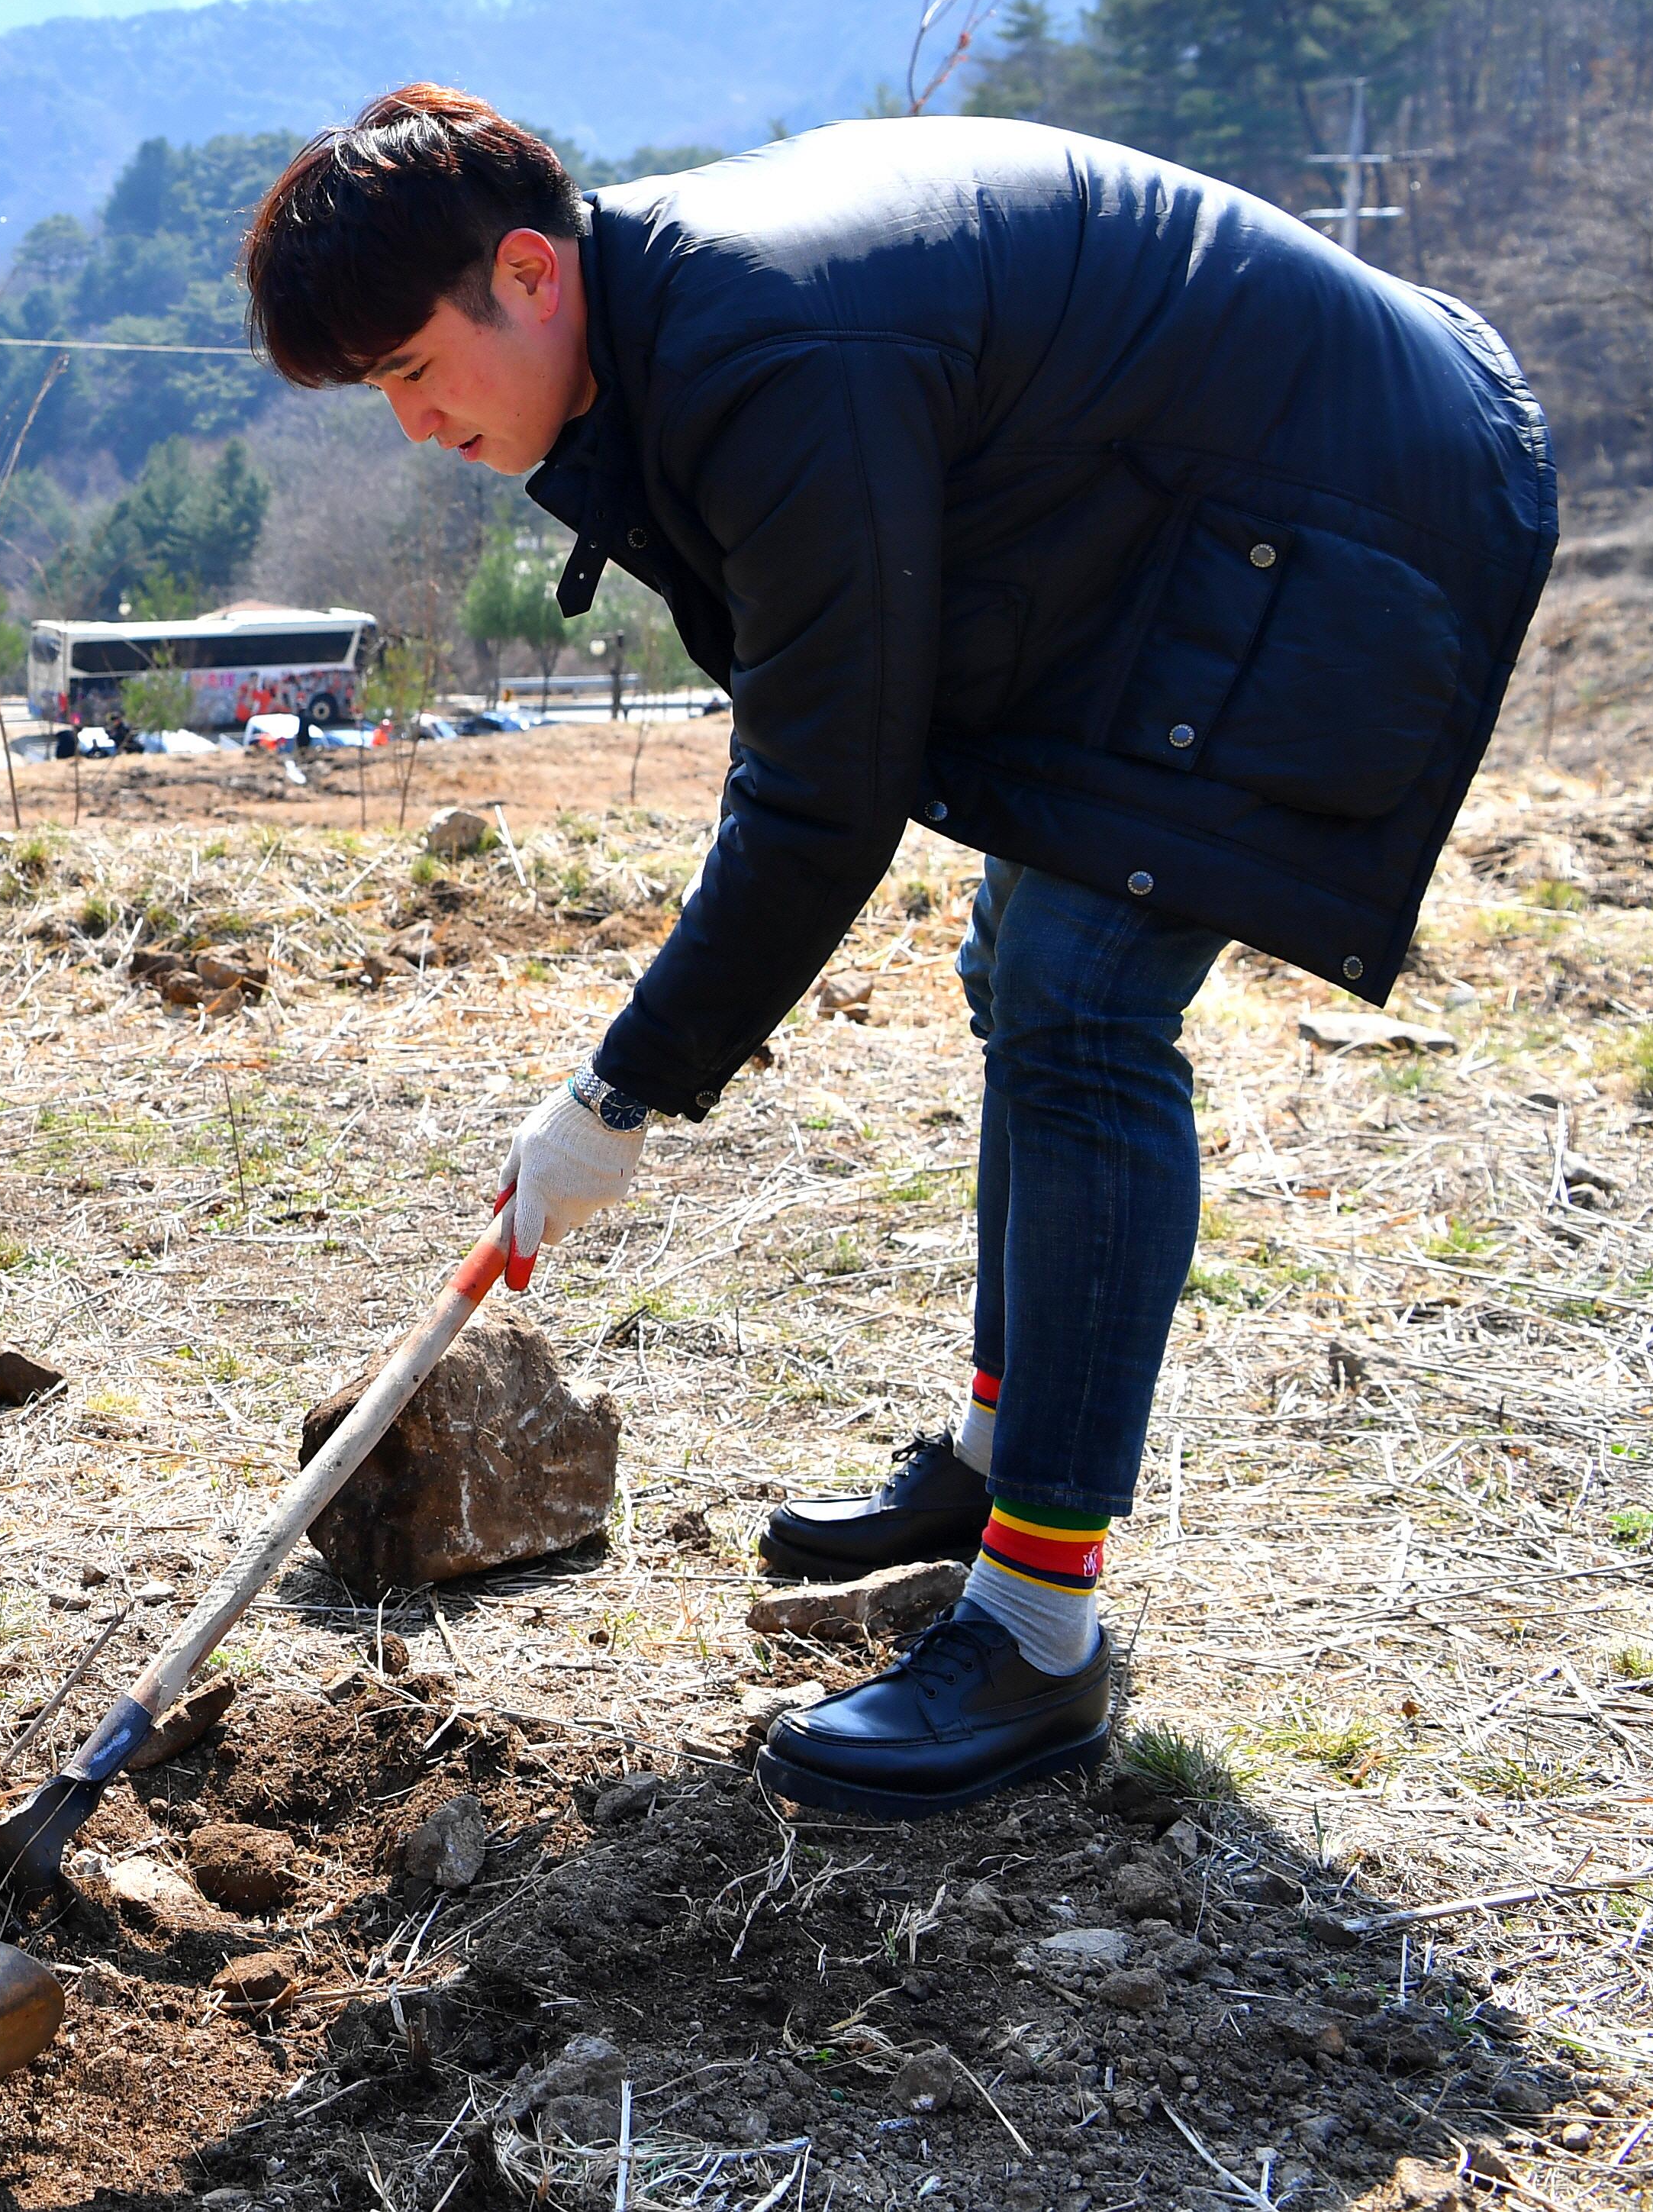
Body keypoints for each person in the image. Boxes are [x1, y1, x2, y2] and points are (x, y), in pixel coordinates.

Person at [244, 87, 1553, 1821]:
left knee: (1086, 1001)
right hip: (1184, 514)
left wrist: (619, 1091)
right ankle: (1005, 1463)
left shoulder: (771, 347)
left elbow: (820, 796)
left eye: (416, 367)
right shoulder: (674, 325)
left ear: (532, 271)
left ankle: (1033, 1628)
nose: (416, 425)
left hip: (1345, 506)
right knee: (1026, 961)